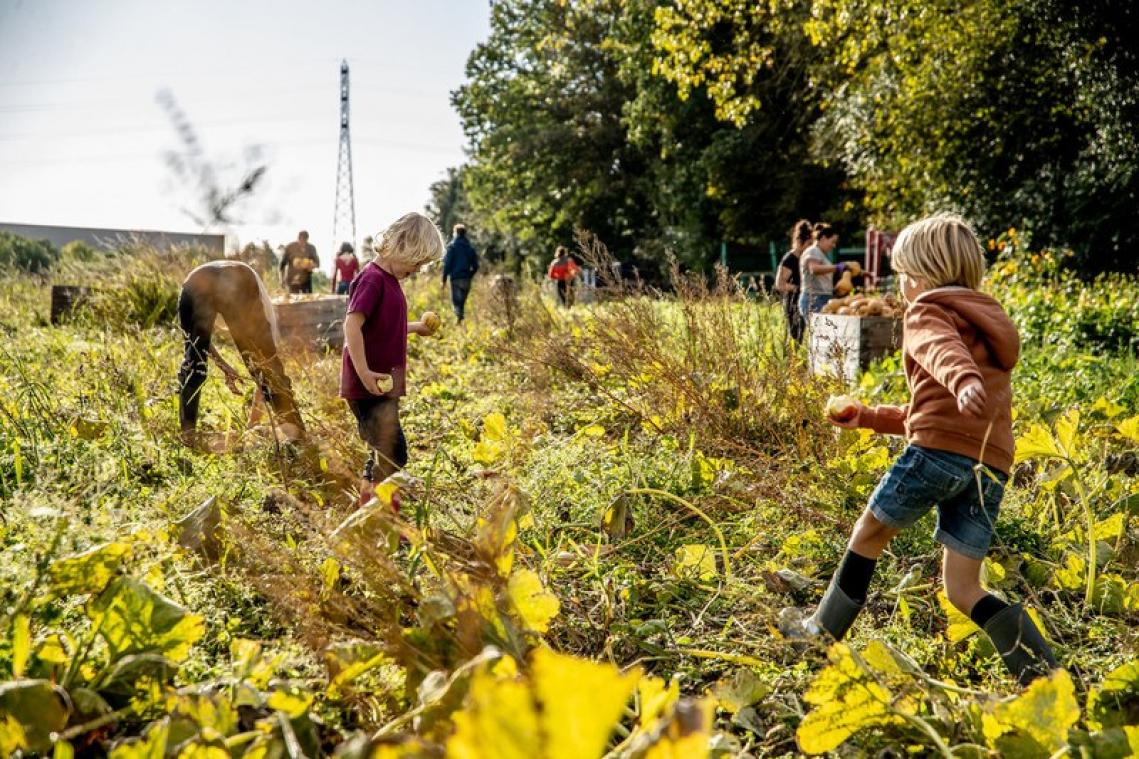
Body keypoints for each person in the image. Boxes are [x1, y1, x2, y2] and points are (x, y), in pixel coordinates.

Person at [779, 213, 1057, 686]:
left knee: (867, 534)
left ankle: (819, 634)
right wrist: (867, 416)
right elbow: (931, 413)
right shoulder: (986, 324)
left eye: (904, 274)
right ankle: (1045, 674)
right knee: (963, 588)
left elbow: (941, 352)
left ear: (924, 276)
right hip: (988, 466)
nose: (903, 285)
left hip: (934, 458)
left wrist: (962, 378)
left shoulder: (927, 310)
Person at [341, 212, 445, 490]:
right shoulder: (373, 279)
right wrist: (363, 372)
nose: (419, 270)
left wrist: (415, 327)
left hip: (385, 384)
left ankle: (372, 510)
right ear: (402, 246)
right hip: (369, 384)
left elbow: (384, 325)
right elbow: (352, 325)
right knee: (393, 453)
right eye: (418, 261)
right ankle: (377, 514)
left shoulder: (389, 281)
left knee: (382, 451)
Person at [177, 260, 304, 446]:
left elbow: (198, 344)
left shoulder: (210, 287)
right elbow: (264, 367)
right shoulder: (263, 309)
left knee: (193, 364)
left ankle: (187, 437)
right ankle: (297, 435)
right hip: (236, 279)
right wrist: (253, 422)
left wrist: (223, 365)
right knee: (268, 368)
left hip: (195, 280)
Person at [798, 223, 844, 324]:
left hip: (822, 298)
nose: (833, 246)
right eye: (832, 242)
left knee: (823, 336)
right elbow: (814, 269)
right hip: (814, 299)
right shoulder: (813, 251)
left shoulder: (820, 254)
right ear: (823, 238)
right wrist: (837, 267)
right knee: (819, 335)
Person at [774, 219, 812, 342]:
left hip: (807, 300)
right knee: (796, 339)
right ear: (800, 241)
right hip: (793, 303)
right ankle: (792, 360)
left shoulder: (807, 258)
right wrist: (798, 288)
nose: (811, 247)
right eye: (809, 243)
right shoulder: (789, 259)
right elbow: (779, 284)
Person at [441, 223, 480, 322]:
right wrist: (470, 275)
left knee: (457, 303)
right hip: (466, 279)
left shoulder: (452, 247)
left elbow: (448, 264)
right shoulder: (470, 248)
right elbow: (476, 266)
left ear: (455, 233)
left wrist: (444, 279)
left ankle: (459, 320)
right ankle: (460, 322)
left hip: (456, 279)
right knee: (462, 303)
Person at [280, 230, 320, 294]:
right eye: (300, 240)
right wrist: (282, 280)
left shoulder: (311, 248)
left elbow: (317, 263)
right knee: (294, 300)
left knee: (307, 300)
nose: (302, 243)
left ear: (307, 239)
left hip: (306, 280)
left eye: (304, 241)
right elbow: (282, 265)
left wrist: (311, 265)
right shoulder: (290, 247)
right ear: (298, 238)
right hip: (292, 280)